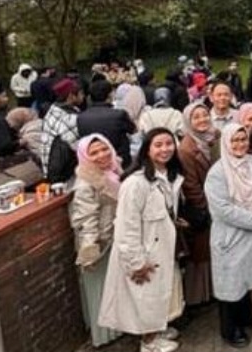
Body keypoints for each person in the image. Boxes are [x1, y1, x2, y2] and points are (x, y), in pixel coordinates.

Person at [98, 128, 185, 352]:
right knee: (145, 297)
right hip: (146, 249)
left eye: (169, 143)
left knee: (160, 294)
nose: (165, 149)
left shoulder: (171, 175)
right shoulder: (135, 184)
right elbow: (126, 225)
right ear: (147, 149)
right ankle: (149, 342)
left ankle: (158, 328)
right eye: (158, 145)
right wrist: (135, 261)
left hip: (164, 246)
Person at [205, 123, 252, 348]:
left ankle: (248, 318)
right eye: (234, 140)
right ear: (225, 142)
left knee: (250, 279)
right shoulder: (217, 173)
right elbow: (222, 209)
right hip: (231, 237)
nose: (239, 144)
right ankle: (230, 330)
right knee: (232, 286)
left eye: (243, 139)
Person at [69, 134, 123, 348]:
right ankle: (104, 335)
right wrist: (89, 250)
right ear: (84, 156)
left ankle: (117, 327)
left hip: (112, 236)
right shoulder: (85, 182)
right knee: (100, 288)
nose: (101, 155)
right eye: (93, 153)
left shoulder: (113, 171)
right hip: (99, 242)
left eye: (104, 149)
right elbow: (85, 219)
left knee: (112, 286)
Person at [177, 102, 220, 305]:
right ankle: (200, 296)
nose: (202, 120)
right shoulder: (187, 149)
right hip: (203, 206)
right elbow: (191, 185)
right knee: (202, 253)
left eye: (205, 115)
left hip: (217, 200)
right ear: (188, 121)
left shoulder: (214, 137)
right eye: (196, 117)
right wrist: (208, 206)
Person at [77, 79, 137, 169]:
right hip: (119, 161)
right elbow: (133, 130)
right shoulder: (119, 114)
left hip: (94, 160)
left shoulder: (81, 117)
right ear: (110, 95)